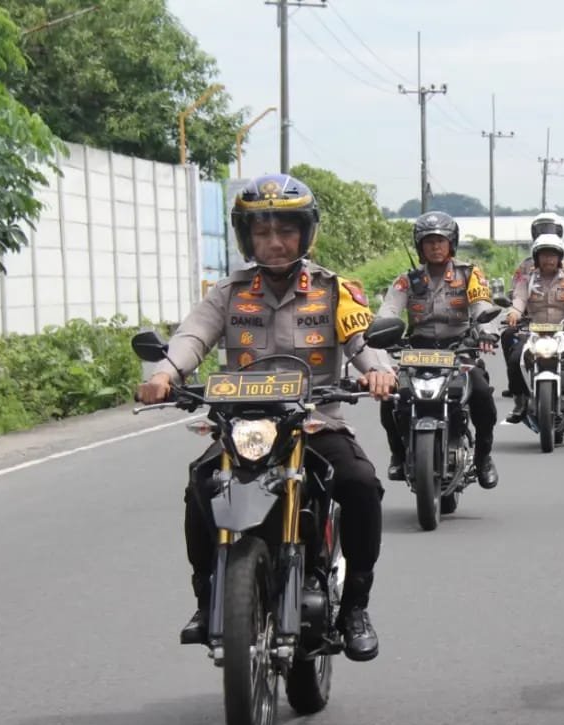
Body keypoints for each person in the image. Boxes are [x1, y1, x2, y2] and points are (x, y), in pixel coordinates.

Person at [134, 173, 395, 662]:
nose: (274, 242)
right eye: (261, 231)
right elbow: (192, 337)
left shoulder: (334, 290)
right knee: (201, 483)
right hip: (244, 427)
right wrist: (164, 373)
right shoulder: (228, 293)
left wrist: (379, 374)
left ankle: (356, 606)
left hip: (315, 423)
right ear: (245, 237)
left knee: (360, 483)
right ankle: (207, 595)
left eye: (285, 230)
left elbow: (362, 344)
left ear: (306, 232)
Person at [373, 211, 501, 489]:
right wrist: (380, 332)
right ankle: (397, 453)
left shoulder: (469, 274)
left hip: (460, 349)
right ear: (420, 246)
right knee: (390, 396)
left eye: (440, 240)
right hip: (416, 351)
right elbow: (388, 311)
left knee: (481, 395)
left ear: (451, 243)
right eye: (428, 241)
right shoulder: (406, 280)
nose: (435, 246)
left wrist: (488, 333)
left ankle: (483, 458)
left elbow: (481, 305)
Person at [503, 233, 564, 427]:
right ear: (536, 258)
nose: (548, 259)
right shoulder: (527, 279)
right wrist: (513, 313)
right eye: (544, 255)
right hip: (533, 332)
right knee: (514, 358)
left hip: (563, 331)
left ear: (559, 258)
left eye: (552, 255)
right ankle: (520, 402)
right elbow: (519, 299)